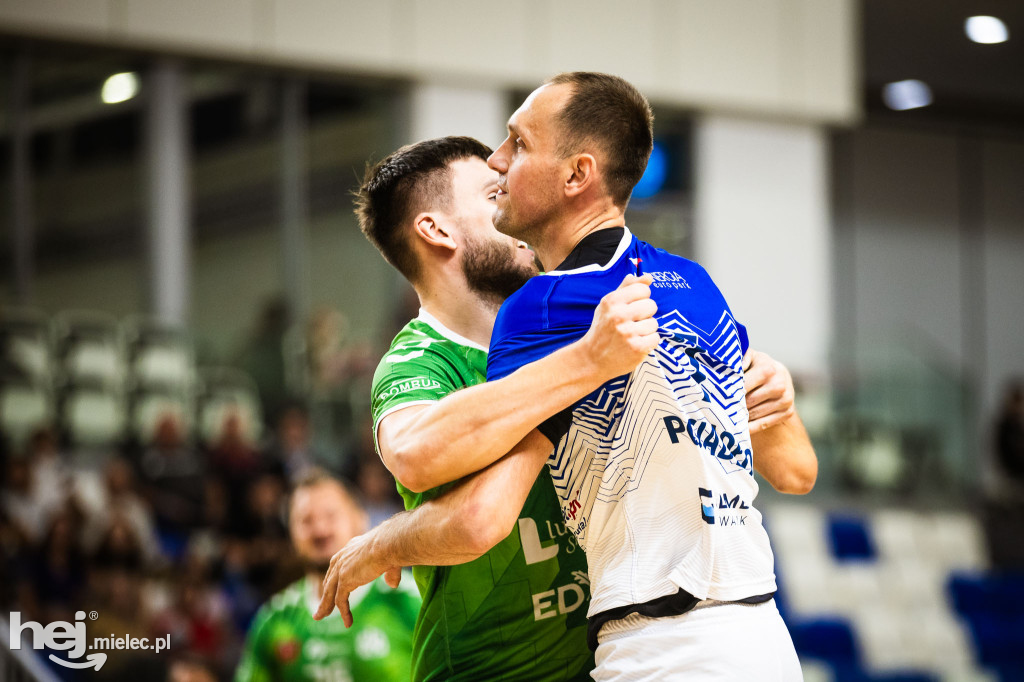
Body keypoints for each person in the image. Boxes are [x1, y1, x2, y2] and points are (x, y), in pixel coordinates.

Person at [315, 133, 814, 681]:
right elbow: (425, 465)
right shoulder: (417, 363)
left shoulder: (592, 310)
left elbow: (792, 470)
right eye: (491, 194)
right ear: (436, 230)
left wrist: (772, 398)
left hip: (612, 654)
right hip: (492, 670)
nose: (508, 197)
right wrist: (385, 538)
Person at [237, 470, 419, 681]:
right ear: (291, 534)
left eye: (330, 516)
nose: (320, 530)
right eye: (306, 520)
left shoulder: (409, 602)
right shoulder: (276, 619)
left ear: (360, 520)